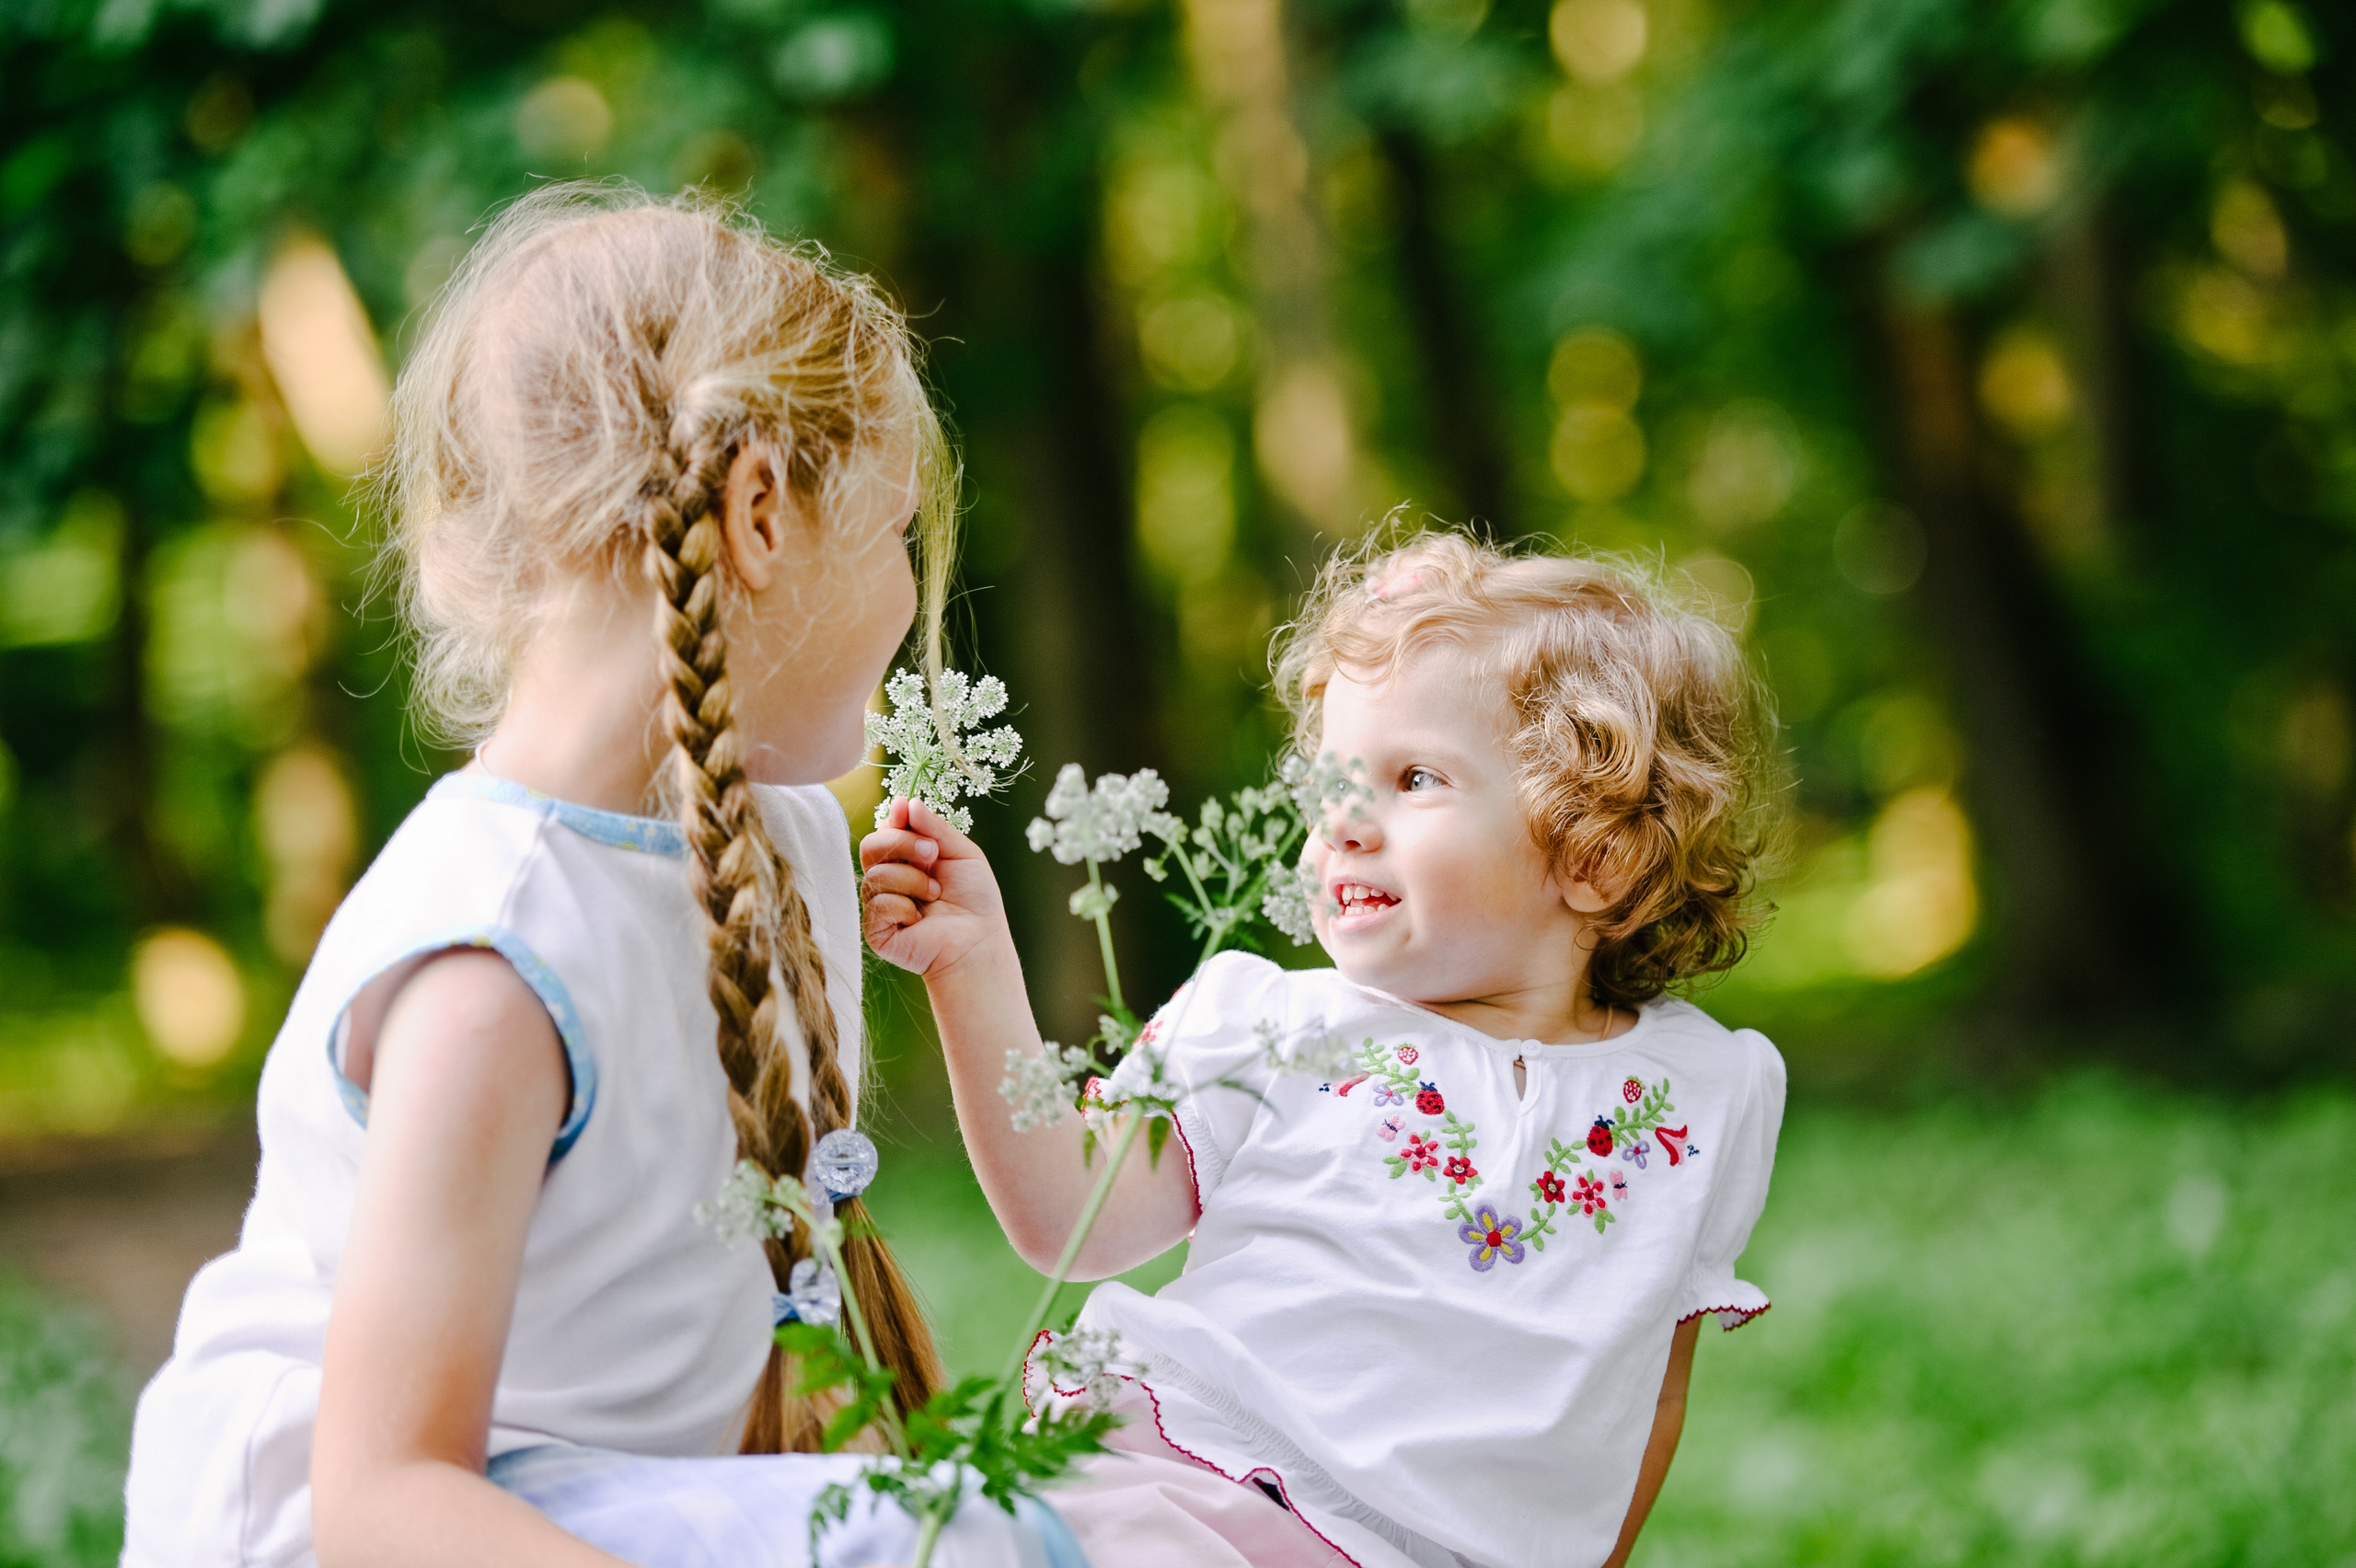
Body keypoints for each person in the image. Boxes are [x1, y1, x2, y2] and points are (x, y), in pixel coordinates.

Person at [123, 184, 1080, 1568]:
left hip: (590, 1503)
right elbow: (386, 1502)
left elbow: (761, 1358)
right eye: (891, 536)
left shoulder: (791, 844)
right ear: (761, 514)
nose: (907, 587)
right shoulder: (492, 963)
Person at [861, 532, 1788, 1568]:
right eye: (1330, 783)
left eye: (1414, 777)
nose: (1342, 822)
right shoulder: (1270, 1023)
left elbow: (1650, 1380)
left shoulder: (1708, 1092)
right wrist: (973, 964)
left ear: (1594, 853)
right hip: (1185, 1497)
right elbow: (1067, 1220)